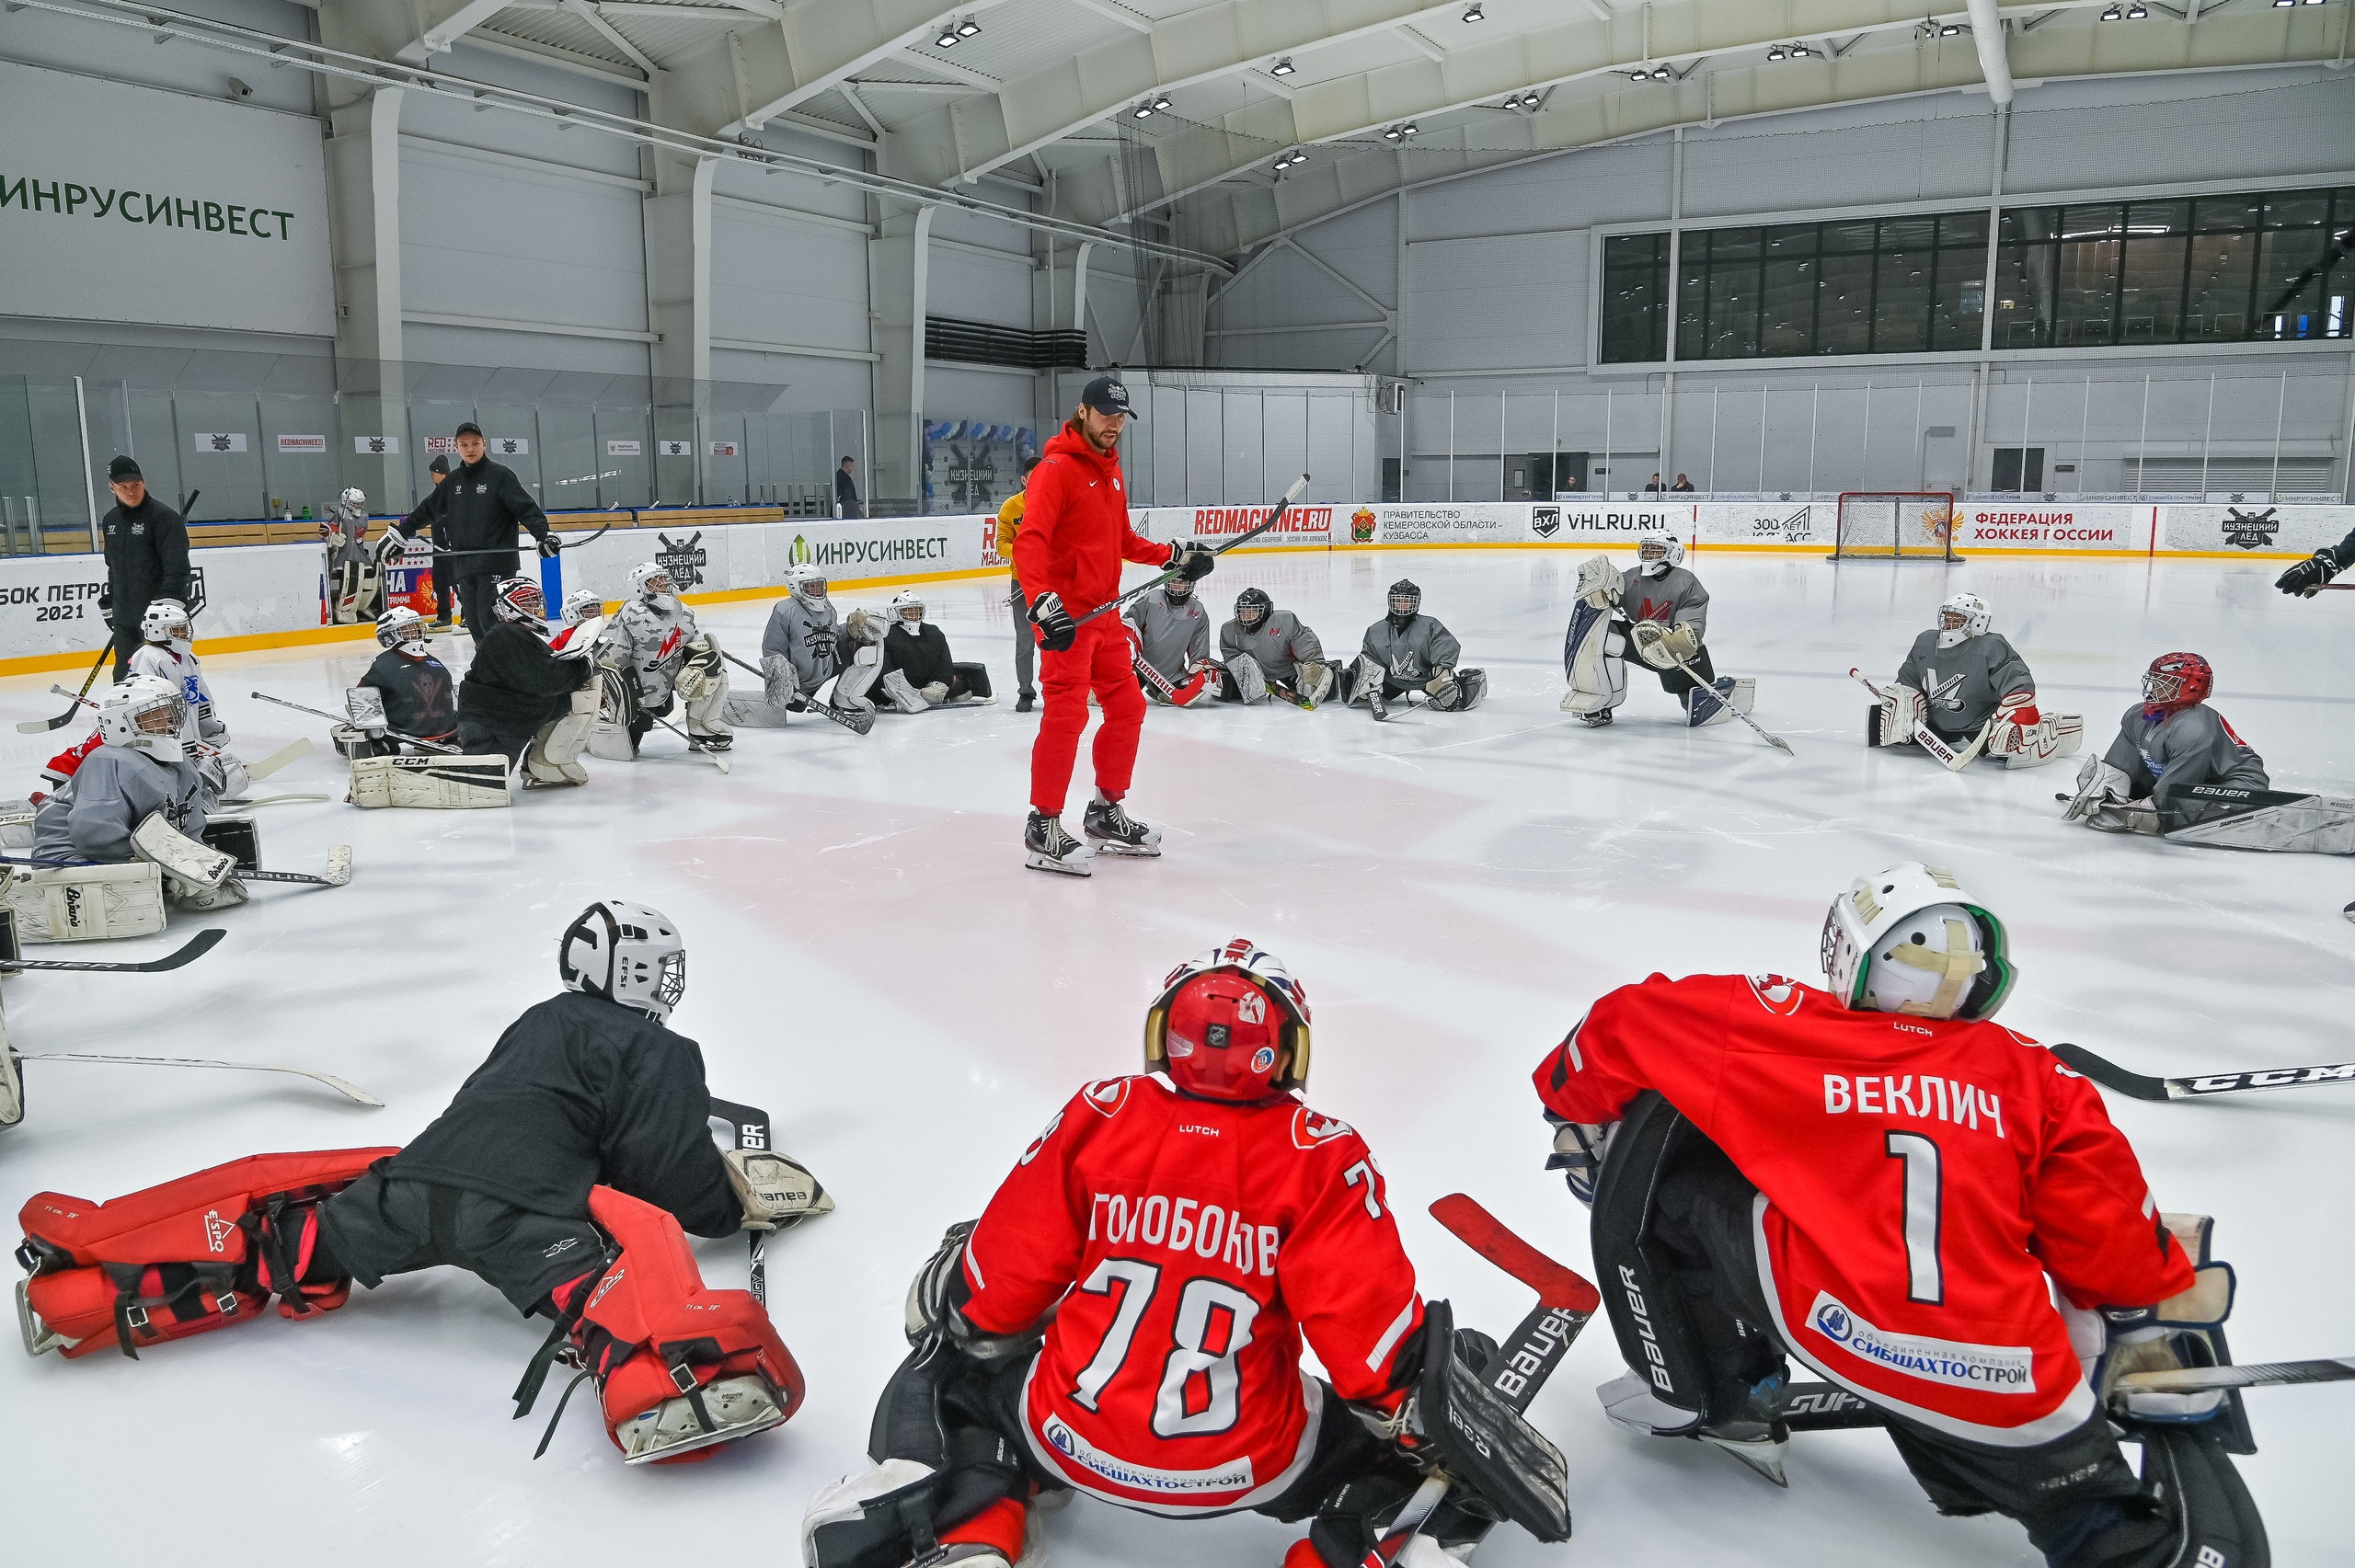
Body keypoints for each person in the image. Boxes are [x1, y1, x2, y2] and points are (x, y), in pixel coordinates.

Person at [1531, 863, 2261, 1567]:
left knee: (1675, 1181)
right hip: (2011, 1378)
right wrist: (2143, 1302)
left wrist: (1571, 1108)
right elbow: (2109, 1233)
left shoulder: (1778, 1021)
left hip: (1841, 1329)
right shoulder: (2036, 1073)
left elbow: (1620, 1024)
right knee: (2086, 1516)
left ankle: (1730, 1388)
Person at [801, 940, 1552, 1568]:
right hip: (1247, 1464)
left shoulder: (1100, 1112)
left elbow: (991, 1296)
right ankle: (1345, 1553)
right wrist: (1430, 1419)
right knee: (1405, 1458)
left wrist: (955, 1296)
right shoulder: (1322, 1153)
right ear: (1289, 1049)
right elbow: (1373, 1355)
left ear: (1165, 1033)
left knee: (950, 1372)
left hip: (1068, 1439)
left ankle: (973, 1527)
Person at [14, 901, 830, 1467]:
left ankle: (84, 1296)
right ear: (635, 971)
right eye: (663, 967)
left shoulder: (540, 1018)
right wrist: (730, 1204)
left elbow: (499, 1106)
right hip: (525, 1215)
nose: (671, 981)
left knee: (282, 1245)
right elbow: (665, 1173)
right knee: (600, 1304)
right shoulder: (663, 1049)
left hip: (413, 1185)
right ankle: (663, 1393)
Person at [1010, 375, 1215, 876]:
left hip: (1104, 617)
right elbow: (1030, 541)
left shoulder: (1111, 472)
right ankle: (1043, 823)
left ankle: (1105, 811)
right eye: (1106, 415)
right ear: (1083, 412)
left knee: (1127, 706)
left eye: (1121, 417)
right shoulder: (1055, 470)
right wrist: (1041, 602)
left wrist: (1173, 557)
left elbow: (1120, 539)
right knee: (1066, 715)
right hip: (1067, 620)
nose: (1115, 425)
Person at [2062, 654, 2345, 857]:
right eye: (2154, 680)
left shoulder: (2194, 728)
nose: (2153, 687)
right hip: (2175, 775)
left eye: (2164, 683)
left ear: (2189, 687)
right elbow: (2121, 767)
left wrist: (2136, 814)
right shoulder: (2137, 715)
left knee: (2178, 813)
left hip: (2235, 783)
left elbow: (2175, 793)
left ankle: (2246, 812)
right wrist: (2107, 791)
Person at [26, 675, 245, 916]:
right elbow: (94, 837)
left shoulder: (183, 765)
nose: (168, 721)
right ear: (120, 724)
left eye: (169, 713)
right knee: (130, 907)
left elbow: (189, 827)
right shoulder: (107, 760)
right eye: (155, 716)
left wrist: (193, 863)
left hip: (134, 855)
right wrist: (161, 869)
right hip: (70, 858)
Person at [382, 422, 557, 641]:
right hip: (464, 565)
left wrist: (543, 534)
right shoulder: (453, 481)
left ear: (484, 444)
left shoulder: (501, 476)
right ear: (456, 447)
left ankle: (503, 662)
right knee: (475, 625)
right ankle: (486, 663)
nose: (470, 449)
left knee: (491, 623)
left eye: (475, 443)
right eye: (464, 445)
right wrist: (401, 533)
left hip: (496, 565)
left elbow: (526, 509)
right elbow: (428, 509)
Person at [1560, 532, 1749, 730]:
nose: (1649, 554)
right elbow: (1611, 593)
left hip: (1673, 649)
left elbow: (1691, 625)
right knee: (1603, 636)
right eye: (1646, 549)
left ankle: (1706, 695)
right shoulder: (1632, 577)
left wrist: (1677, 640)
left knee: (1695, 703)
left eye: (1656, 550)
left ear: (1673, 553)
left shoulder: (1686, 582)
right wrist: (1598, 589)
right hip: (1639, 640)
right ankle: (1602, 702)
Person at [1871, 592, 2079, 768]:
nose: (1948, 622)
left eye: (1957, 618)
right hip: (1935, 720)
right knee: (1897, 731)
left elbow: (2018, 685)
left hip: (1981, 724)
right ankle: (1944, 733)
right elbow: (1908, 682)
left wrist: (2020, 716)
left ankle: (2047, 731)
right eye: (1947, 616)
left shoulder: (1990, 646)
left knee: (2008, 746)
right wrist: (1903, 699)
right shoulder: (1925, 642)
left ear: (1978, 621)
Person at [454, 577, 598, 784]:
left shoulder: (517, 635)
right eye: (527, 602)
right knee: (480, 783)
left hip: (501, 720)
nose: (535, 607)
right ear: (507, 606)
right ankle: (543, 763)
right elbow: (545, 679)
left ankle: (543, 762)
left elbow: (546, 673)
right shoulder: (506, 634)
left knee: (577, 697)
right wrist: (583, 669)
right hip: (490, 725)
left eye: (536, 601)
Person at [591, 564, 732, 757]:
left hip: (671, 678)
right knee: (635, 731)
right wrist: (625, 689)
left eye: (664, 579)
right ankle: (622, 732)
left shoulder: (684, 611)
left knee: (711, 666)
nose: (664, 584)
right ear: (638, 587)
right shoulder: (632, 612)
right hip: (638, 687)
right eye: (656, 581)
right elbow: (613, 656)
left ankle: (702, 728)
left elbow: (696, 646)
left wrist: (702, 661)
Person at [723, 567, 884, 729]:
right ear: (795, 587)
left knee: (863, 644)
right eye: (811, 586)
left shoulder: (828, 608)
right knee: (795, 705)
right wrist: (781, 676)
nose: (817, 590)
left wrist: (851, 628)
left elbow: (832, 636)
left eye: (819, 585)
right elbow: (772, 649)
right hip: (798, 684)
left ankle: (846, 702)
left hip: (826, 668)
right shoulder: (785, 611)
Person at [97, 456, 192, 681]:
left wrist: (164, 611)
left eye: (136, 484)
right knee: (124, 677)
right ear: (112, 488)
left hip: (159, 618)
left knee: (164, 678)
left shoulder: (164, 518)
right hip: (125, 618)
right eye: (123, 487)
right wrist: (112, 604)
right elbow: (113, 566)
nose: (131, 492)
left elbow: (177, 570)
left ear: (143, 482)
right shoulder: (110, 521)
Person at [1338, 579, 1487, 714]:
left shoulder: (1429, 626)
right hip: (1392, 682)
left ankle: (1475, 680)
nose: (1402, 606)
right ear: (1390, 602)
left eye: (1407, 602)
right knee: (1352, 687)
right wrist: (1364, 683)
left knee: (1451, 696)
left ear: (1416, 603)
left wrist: (1443, 679)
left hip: (1426, 681)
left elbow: (1445, 650)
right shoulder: (1376, 631)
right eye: (1398, 601)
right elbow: (1368, 662)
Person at [348, 605, 459, 753]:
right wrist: (373, 730)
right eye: (407, 628)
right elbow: (362, 697)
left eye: (416, 626)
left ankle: (445, 735)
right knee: (383, 750)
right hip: (397, 731)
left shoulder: (434, 662)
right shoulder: (384, 665)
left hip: (444, 731)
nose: (415, 631)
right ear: (388, 635)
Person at [126, 599, 224, 741]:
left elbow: (202, 697)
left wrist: (210, 729)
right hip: (166, 740)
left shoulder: (189, 658)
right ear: (158, 631)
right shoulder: (148, 657)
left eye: (185, 628)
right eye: (178, 629)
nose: (185, 634)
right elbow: (146, 706)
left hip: (190, 738)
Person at [877, 589, 991, 712]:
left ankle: (937, 694)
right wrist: (898, 691)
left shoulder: (933, 633)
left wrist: (940, 684)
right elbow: (884, 667)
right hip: (898, 690)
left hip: (928, 688)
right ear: (895, 612)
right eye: (908, 610)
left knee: (961, 682)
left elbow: (944, 663)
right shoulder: (886, 635)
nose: (914, 613)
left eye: (916, 609)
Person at [1220, 587, 1331, 706]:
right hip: (1255, 674)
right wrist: (1243, 671)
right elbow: (1230, 653)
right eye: (1243, 612)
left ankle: (1331, 672)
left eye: (1251, 612)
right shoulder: (1229, 630)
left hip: (1290, 671)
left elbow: (1304, 641)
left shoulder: (1285, 621)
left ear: (1266, 610)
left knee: (1319, 687)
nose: (1246, 617)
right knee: (1226, 692)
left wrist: (1312, 664)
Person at [1123, 572, 1215, 706]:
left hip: (1171, 674)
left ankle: (1157, 689)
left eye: (1181, 582)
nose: (1176, 586)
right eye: (1173, 581)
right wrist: (1129, 646)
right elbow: (1128, 624)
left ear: (1191, 584)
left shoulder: (1198, 611)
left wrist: (1202, 668)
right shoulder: (1152, 599)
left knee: (1193, 691)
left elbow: (1198, 648)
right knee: (1119, 697)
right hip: (1138, 667)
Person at [998, 457, 1040, 712]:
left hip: (1053, 580)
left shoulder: (1059, 504)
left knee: (1055, 636)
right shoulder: (1011, 507)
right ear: (1023, 480)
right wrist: (1022, 553)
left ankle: (1057, 690)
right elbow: (1001, 544)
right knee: (1025, 638)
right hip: (1021, 582)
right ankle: (1026, 691)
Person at [322, 486, 385, 624]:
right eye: (356, 503)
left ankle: (360, 606)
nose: (358, 506)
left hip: (359, 554)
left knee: (369, 578)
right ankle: (343, 609)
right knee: (350, 580)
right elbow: (324, 530)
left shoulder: (364, 516)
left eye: (360, 503)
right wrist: (334, 536)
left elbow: (360, 536)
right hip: (343, 555)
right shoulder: (341, 513)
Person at [424, 455, 456, 628]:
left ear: (441, 473)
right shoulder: (436, 496)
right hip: (438, 549)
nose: (431, 476)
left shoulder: (454, 494)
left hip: (452, 549)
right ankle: (444, 616)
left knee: (458, 583)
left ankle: (468, 616)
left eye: (433, 473)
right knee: (440, 583)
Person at [836, 455, 864, 520]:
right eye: (852, 466)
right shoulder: (846, 479)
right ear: (848, 465)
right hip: (846, 511)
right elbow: (849, 497)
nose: (853, 469)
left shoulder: (836, 476)